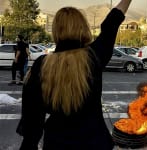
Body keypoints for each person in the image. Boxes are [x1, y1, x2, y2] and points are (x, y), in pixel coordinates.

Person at [16, 0, 132, 149]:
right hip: (95, 143)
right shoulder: (93, 56)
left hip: (57, 144)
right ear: (83, 27)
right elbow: (111, 22)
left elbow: (33, 122)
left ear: (56, 30)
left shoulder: (41, 64)